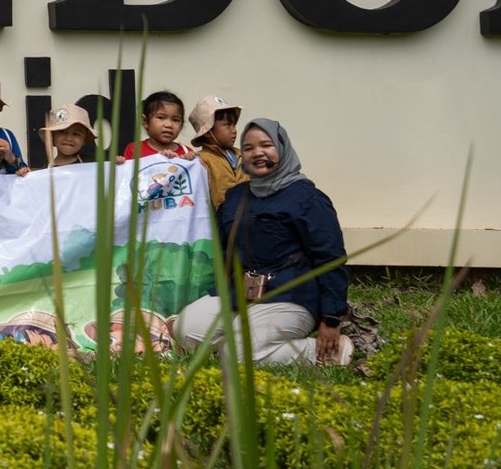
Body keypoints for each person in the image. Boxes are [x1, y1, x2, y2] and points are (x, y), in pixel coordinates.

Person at [172, 119, 352, 366]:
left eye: (266, 145)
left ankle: (327, 352)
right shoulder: (236, 196)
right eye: (248, 148)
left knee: (236, 354)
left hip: (290, 295)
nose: (257, 153)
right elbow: (214, 236)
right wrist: (176, 167)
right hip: (241, 293)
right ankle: (245, 341)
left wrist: (331, 319)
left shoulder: (307, 198)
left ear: (282, 148)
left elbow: (331, 259)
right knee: (185, 329)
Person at [189, 94, 245, 210]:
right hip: (221, 222)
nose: (234, 130)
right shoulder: (201, 160)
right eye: (227, 125)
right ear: (208, 131)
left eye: (234, 125)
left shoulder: (244, 155)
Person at [119, 90, 196, 161]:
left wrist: (189, 162)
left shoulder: (187, 152)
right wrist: (118, 165)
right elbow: (127, 174)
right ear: (145, 121)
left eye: (175, 120)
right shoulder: (135, 150)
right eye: (161, 117)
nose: (169, 125)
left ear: (182, 125)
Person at [41, 102, 96, 169]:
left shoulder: (94, 165)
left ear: (84, 139)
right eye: (62, 132)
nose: (69, 138)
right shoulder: (44, 170)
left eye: (76, 134)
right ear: (52, 136)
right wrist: (25, 174)